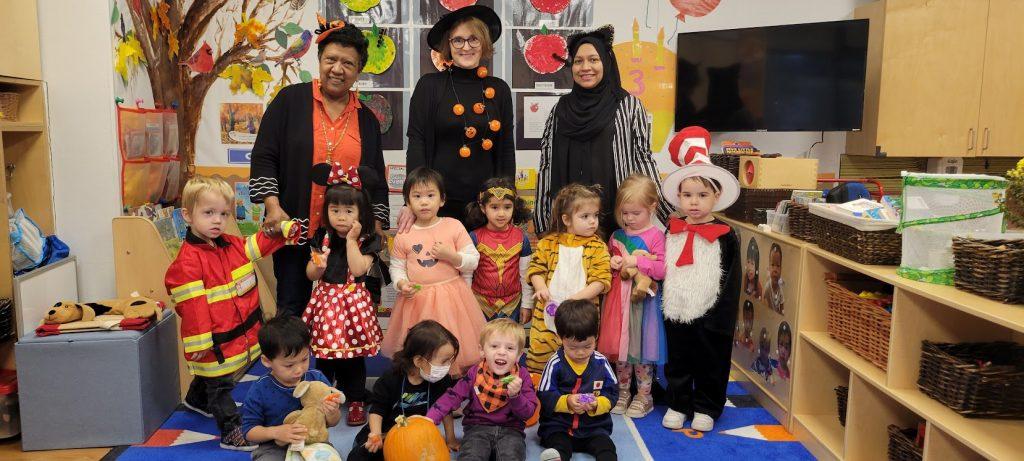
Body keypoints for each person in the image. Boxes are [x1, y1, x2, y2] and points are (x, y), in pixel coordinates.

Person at [249, 19, 389, 317]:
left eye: (348, 63)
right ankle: (293, 365)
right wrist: (273, 207)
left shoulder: (367, 119)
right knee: (291, 309)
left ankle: (335, 366)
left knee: (344, 315)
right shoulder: (290, 101)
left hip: (346, 239)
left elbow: (375, 178)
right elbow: (264, 156)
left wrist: (376, 233)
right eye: (331, 59)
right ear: (320, 59)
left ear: (358, 70)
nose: (337, 69)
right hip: (295, 229)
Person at [165, 176, 300, 451]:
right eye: (209, 213)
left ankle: (196, 400)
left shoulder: (230, 244)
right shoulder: (187, 263)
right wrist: (200, 344)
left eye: (224, 214)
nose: (217, 220)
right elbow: (193, 309)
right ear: (187, 215)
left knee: (214, 378)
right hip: (213, 341)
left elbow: (257, 245)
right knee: (222, 385)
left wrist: (283, 231)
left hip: (238, 332)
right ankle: (231, 430)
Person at [535, 26, 673, 239]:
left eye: (593, 59)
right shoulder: (560, 110)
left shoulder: (628, 105)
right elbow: (546, 165)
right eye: (578, 61)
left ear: (606, 62)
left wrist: (667, 214)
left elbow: (644, 160)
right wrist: (543, 222)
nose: (585, 67)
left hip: (616, 225)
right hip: (569, 222)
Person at [658, 126, 741, 433]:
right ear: (678, 197)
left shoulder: (726, 235)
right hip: (677, 308)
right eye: (687, 195)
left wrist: (722, 317)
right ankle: (678, 403)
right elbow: (664, 267)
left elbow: (732, 280)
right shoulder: (672, 229)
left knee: (711, 361)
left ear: (716, 196)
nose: (694, 202)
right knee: (678, 360)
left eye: (702, 195)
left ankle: (707, 405)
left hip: (711, 314)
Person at [400, 5, 515, 225]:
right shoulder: (429, 86)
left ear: (484, 43)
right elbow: (417, 143)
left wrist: (506, 200)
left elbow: (506, 149)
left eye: (474, 39)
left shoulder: (499, 90)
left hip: (486, 206)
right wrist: (412, 200)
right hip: (437, 205)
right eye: (458, 40)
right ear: (448, 45)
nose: (466, 47)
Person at [381, 168, 487, 372]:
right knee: (420, 350)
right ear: (408, 201)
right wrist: (401, 283)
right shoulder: (404, 234)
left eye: (430, 195)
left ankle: (451, 390)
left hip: (452, 299)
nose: (424, 201)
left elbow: (473, 260)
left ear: (442, 200)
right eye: (417, 196)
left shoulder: (453, 226)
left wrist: (452, 256)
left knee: (451, 345)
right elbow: (397, 266)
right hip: (416, 302)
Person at [302, 165, 383, 426]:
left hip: (354, 303)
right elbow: (311, 275)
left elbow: (359, 268)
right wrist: (318, 265)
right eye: (335, 210)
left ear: (361, 214)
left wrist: (351, 241)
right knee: (324, 357)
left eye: (349, 211)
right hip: (326, 303)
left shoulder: (368, 240)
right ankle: (324, 400)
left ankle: (357, 401)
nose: (341, 217)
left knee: (353, 358)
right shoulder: (320, 237)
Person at [597, 174, 667, 419]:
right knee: (620, 349)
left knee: (643, 350)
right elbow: (603, 263)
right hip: (617, 303)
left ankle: (644, 395)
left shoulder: (656, 236)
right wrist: (612, 262)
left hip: (643, 304)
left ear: (652, 207)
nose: (628, 219)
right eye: (625, 213)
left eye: (635, 213)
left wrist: (637, 260)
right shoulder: (616, 235)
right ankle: (623, 391)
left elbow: (661, 270)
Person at [526, 184, 611, 374]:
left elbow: (601, 281)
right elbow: (536, 269)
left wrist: (573, 300)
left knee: (580, 356)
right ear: (566, 219)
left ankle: (577, 392)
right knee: (541, 356)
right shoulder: (547, 243)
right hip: (546, 315)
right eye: (585, 216)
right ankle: (540, 394)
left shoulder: (598, 247)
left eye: (595, 215)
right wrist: (540, 287)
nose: (592, 222)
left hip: (582, 316)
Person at [423, 319, 537, 461]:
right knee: (471, 456)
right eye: (494, 346)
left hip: (511, 430)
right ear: (482, 350)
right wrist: (430, 418)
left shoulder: (523, 376)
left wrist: (516, 396)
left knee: (512, 456)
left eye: (510, 348)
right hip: (477, 428)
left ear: (519, 355)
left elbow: (528, 413)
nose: (502, 352)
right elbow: (453, 396)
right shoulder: (474, 373)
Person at [348, 320, 459, 461]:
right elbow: (377, 409)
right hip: (386, 433)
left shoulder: (441, 380)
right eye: (443, 361)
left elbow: (445, 410)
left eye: (450, 360)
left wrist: (450, 439)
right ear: (419, 361)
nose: (447, 366)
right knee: (358, 457)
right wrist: (375, 434)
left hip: (418, 436)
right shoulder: (392, 378)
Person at [241, 317, 343, 460]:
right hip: (274, 448)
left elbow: (333, 422)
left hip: (314, 442)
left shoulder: (317, 379)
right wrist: (276, 432)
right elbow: (249, 430)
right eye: (289, 365)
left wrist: (332, 413)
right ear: (266, 361)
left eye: (305, 359)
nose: (299, 370)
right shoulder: (260, 389)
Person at [537, 300, 618, 461]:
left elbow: (613, 393)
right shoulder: (555, 363)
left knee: (607, 447)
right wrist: (567, 402)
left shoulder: (601, 362)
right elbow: (544, 394)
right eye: (573, 348)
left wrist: (597, 404)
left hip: (594, 428)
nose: (580, 353)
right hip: (559, 427)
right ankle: (557, 457)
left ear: (596, 337)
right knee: (559, 446)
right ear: (561, 339)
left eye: (588, 346)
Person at [465, 177, 534, 322]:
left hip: (512, 305)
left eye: (507, 207)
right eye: (494, 207)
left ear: (515, 207)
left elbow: (525, 275)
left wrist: (527, 305)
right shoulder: (474, 237)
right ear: (483, 208)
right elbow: (467, 275)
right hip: (480, 304)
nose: (501, 213)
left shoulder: (522, 238)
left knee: (509, 343)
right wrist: (466, 303)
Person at [765, 243, 785, 314]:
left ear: (781, 269)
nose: (775, 270)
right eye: (772, 265)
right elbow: (764, 304)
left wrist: (781, 313)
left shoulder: (780, 289)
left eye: (778, 265)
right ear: (769, 268)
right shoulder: (767, 287)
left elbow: (782, 307)